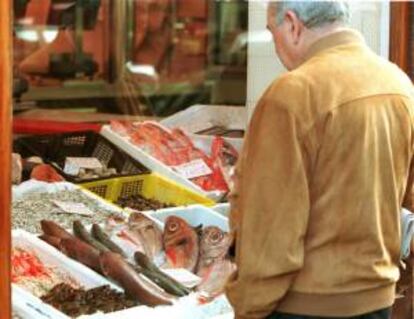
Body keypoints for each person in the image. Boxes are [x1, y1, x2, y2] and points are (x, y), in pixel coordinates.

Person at [225, 1, 414, 319]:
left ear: (293, 24)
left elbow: (269, 227)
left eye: (274, 33)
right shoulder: (398, 83)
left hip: (303, 306)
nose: (276, 46)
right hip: (379, 301)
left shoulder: (291, 94)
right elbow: (407, 195)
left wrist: (247, 307)